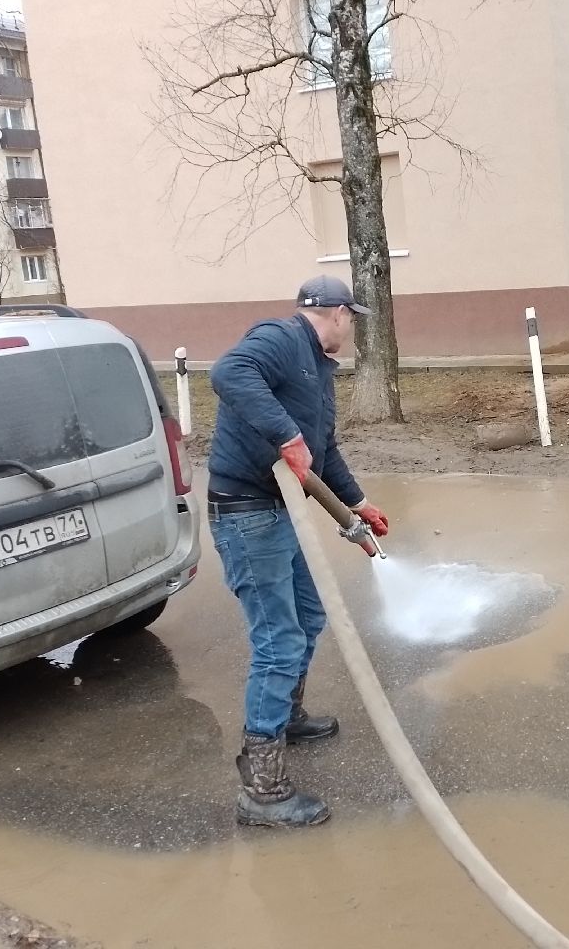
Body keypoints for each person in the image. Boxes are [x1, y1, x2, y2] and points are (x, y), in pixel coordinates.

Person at [207, 274, 390, 829]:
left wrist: (357, 504)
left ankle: (285, 716)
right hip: (246, 513)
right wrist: (286, 435)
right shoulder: (282, 338)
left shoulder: (317, 368)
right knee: (279, 640)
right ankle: (262, 791)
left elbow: (322, 450)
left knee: (309, 615)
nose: (351, 328)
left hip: (279, 512)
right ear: (337, 313)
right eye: (351, 318)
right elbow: (228, 373)